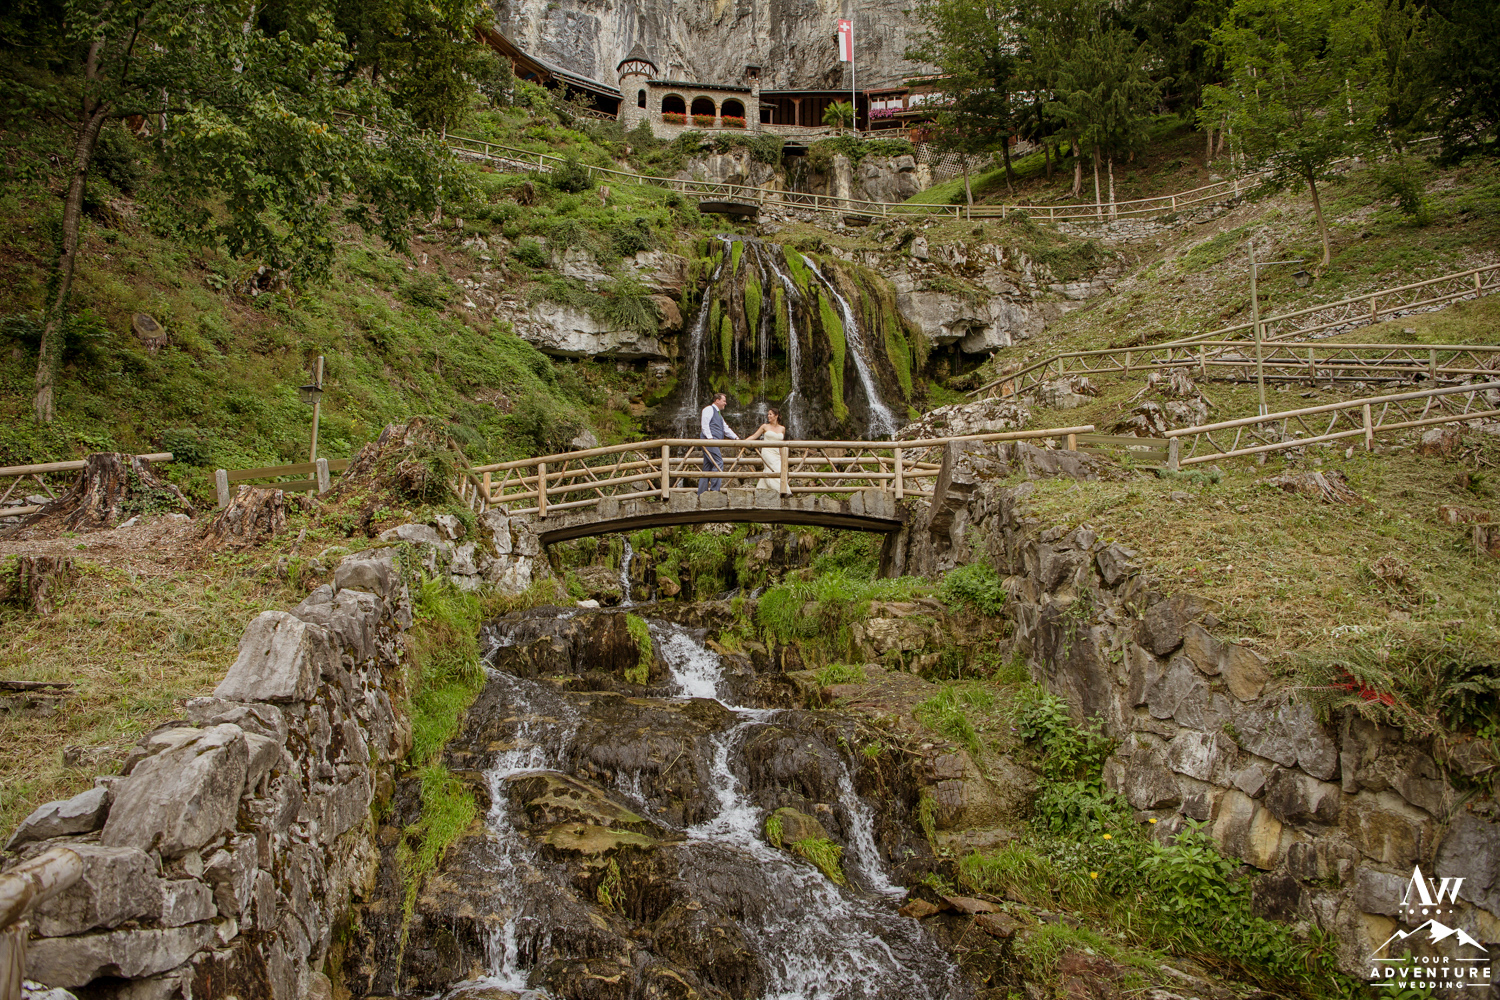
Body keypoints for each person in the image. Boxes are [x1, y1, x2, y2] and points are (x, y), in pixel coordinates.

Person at [697, 392, 738, 494]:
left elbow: (725, 428)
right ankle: (715, 491)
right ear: (717, 400)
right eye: (724, 401)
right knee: (718, 462)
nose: (726, 403)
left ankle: (701, 493)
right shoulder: (709, 409)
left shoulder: (719, 414)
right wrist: (710, 439)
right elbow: (705, 424)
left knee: (707, 467)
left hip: (713, 441)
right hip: (709, 441)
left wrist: (736, 438)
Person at [744, 407, 787, 492]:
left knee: (777, 469)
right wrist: (743, 442)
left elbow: (781, 444)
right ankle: (780, 490)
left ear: (776, 416)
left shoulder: (782, 428)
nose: (768, 416)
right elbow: (754, 436)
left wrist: (782, 456)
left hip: (777, 453)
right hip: (767, 452)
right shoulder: (765, 426)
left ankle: (761, 490)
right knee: (772, 469)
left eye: (770, 414)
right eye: (768, 414)